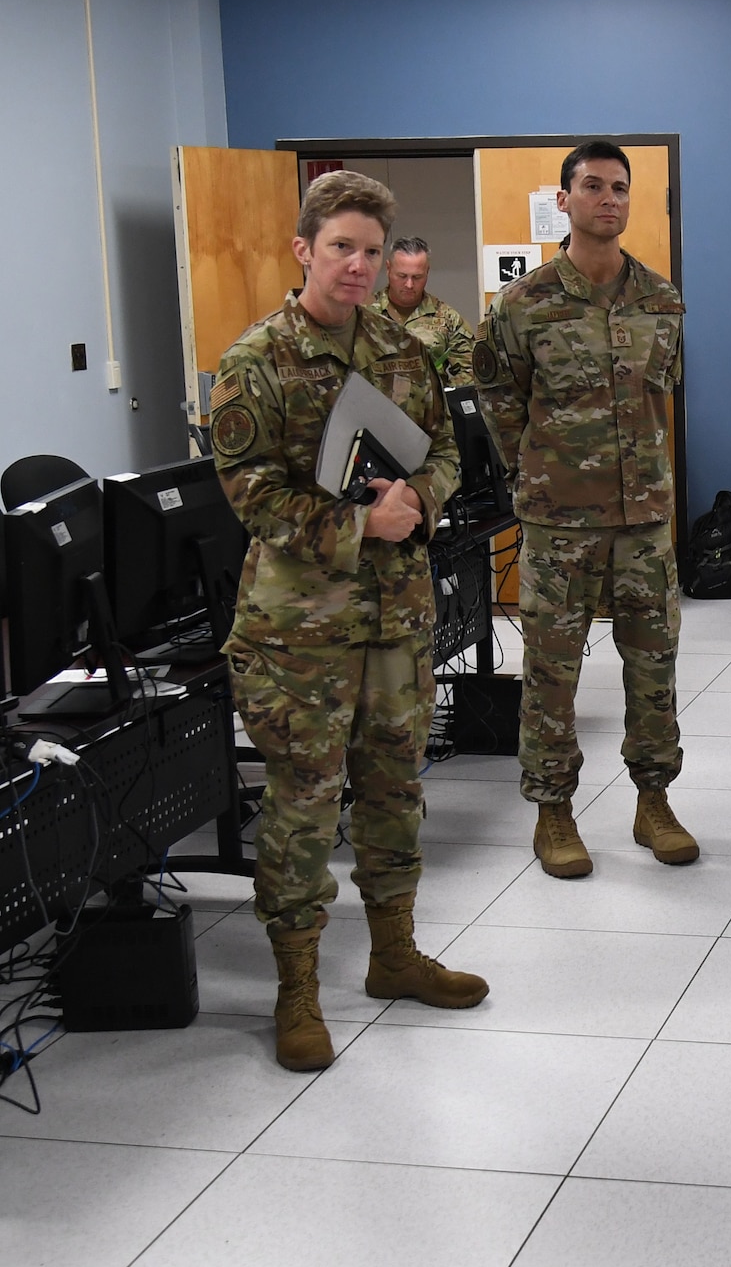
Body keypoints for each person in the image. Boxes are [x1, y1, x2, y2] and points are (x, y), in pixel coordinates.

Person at [211, 170, 486, 1072]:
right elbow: (250, 494)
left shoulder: (405, 350)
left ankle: (394, 954)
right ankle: (297, 987)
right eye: (342, 248)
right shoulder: (256, 359)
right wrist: (360, 524)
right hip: (300, 629)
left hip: (395, 619)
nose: (360, 265)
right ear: (304, 250)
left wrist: (421, 497)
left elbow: (447, 447)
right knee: (302, 804)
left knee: (395, 788)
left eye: (372, 250)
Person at [474, 141, 696, 879]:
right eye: (593, 186)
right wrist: (532, 471)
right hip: (559, 523)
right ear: (564, 199)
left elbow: (663, 395)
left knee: (653, 663)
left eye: (620, 188)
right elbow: (499, 401)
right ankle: (552, 809)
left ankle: (653, 798)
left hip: (643, 522)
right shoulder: (523, 303)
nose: (609, 199)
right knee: (551, 673)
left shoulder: (662, 300)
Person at [372, 236, 475, 387]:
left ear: (427, 272)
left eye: (417, 277)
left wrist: (444, 399)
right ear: (388, 269)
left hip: (430, 408)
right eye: (402, 276)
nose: (409, 284)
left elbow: (468, 370)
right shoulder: (363, 312)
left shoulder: (447, 318)